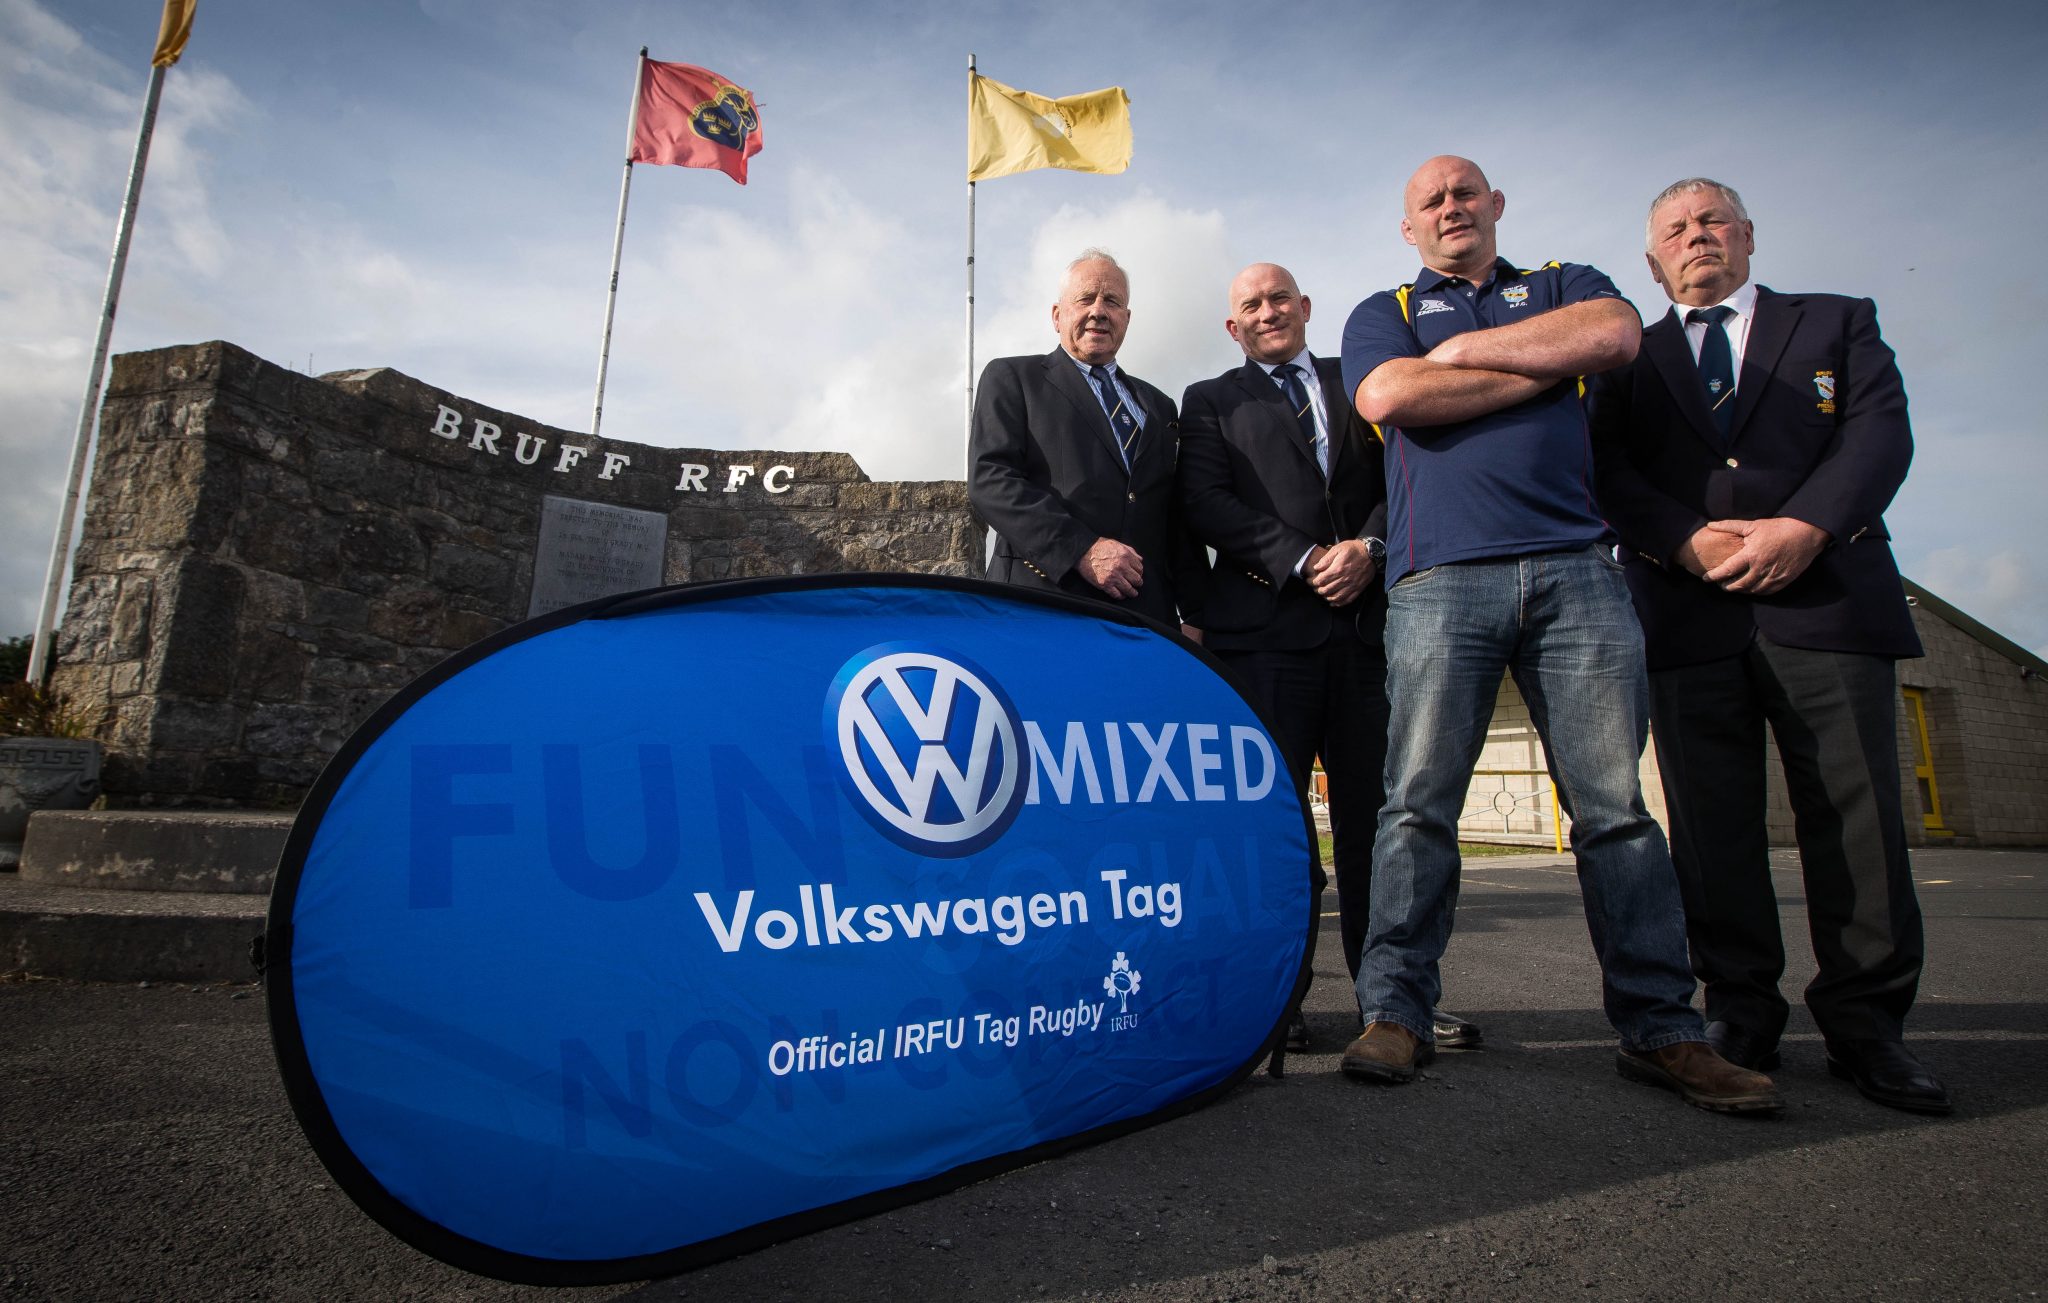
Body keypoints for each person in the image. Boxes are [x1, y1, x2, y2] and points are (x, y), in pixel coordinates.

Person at [1336, 155, 1777, 1113]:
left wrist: (1462, 358)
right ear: (1409, 227)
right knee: (1416, 805)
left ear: (1495, 205)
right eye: (1430, 201)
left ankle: (1662, 1028)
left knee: (1615, 811)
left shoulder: (1565, 281)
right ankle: (1397, 1011)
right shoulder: (1385, 311)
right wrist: (1541, 365)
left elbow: (1614, 333)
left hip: (1578, 571)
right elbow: (1388, 397)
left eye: (1465, 193)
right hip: (1438, 578)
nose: (1451, 208)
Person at [1587, 178, 1947, 1114]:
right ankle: (1740, 1011)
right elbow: (1607, 469)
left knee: (1856, 818)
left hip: (1825, 602)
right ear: (1653, 262)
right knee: (1712, 829)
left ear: (1747, 235)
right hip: (1689, 614)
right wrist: (1683, 540)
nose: (1696, 237)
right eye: (1676, 230)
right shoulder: (1628, 357)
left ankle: (1867, 1025)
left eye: (1713, 221)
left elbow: (1879, 435)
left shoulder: (1835, 321)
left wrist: (1807, 528)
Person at [1178, 262, 1478, 1054]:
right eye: (1251, 305)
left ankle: (1395, 1003)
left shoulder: (1365, 379)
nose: (1268, 311)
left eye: (1279, 298)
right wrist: (1307, 559)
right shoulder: (1209, 400)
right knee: (1276, 830)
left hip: (1368, 633)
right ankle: (1279, 1000)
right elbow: (1206, 504)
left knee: (1380, 825)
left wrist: (1370, 549)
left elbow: (1405, 474)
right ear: (1233, 327)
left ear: (1306, 306)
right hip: (1264, 638)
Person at [970, 249, 1204, 634]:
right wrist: (1081, 549)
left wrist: (1195, 613)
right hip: (1041, 608)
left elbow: (1172, 514)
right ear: (1057, 315)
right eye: (1085, 299)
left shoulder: (1160, 406)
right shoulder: (1013, 377)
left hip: (1146, 619)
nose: (1099, 311)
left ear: (1126, 318)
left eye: (1112, 301)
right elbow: (991, 480)